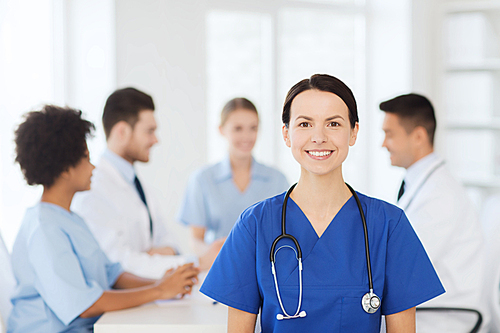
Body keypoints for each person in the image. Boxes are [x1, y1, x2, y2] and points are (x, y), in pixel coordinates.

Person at [200, 74, 444, 332]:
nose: (319, 137)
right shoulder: (254, 225)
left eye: (333, 124)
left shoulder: (389, 225)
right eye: (305, 124)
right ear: (286, 135)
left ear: (353, 132)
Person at [8, 106, 199, 333]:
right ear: (66, 168)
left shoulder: (71, 219)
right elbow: (84, 305)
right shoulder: (43, 229)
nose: (93, 167)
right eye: (86, 158)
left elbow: (112, 274)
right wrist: (159, 291)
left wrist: (163, 284)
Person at [72, 88, 222, 279]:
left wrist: (151, 255)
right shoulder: (93, 188)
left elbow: (170, 243)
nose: (155, 140)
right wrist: (197, 262)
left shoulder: (135, 182)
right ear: (122, 131)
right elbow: (117, 264)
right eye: (150, 131)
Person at [380, 93, 485, 332]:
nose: (383, 144)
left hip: (442, 317)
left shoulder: (441, 196)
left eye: (389, 134)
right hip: (428, 308)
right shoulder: (424, 184)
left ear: (418, 136)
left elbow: (403, 265)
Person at [177, 97, 288, 248]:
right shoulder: (203, 179)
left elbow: (286, 232)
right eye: (238, 128)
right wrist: (216, 253)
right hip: (219, 266)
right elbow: (196, 241)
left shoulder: (277, 180)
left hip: (265, 267)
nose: (246, 137)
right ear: (221, 130)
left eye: (253, 128)